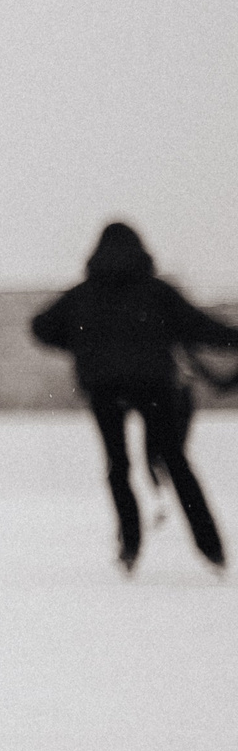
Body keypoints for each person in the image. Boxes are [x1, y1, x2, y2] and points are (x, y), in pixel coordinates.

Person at [30, 221, 238, 576]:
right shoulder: (157, 292)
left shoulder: (82, 294)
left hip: (103, 387)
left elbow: (41, 327)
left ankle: (129, 547)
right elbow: (201, 327)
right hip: (153, 385)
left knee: (118, 465)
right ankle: (211, 548)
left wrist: (84, 347)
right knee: (175, 461)